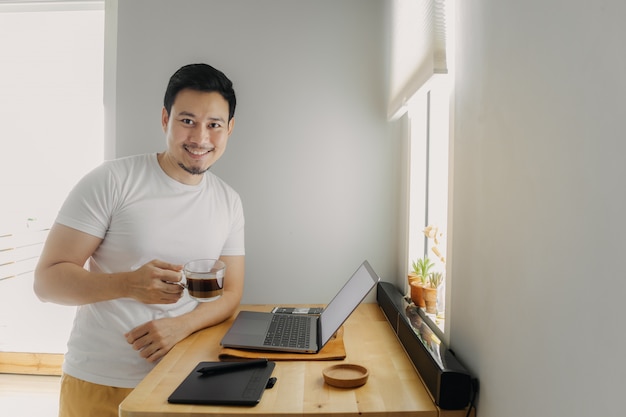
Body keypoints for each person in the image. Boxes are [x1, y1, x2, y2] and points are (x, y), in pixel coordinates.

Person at [33, 63, 245, 417]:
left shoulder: (228, 201)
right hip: (100, 381)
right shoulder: (112, 181)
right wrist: (129, 284)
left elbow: (232, 293)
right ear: (165, 119)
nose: (201, 138)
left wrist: (181, 326)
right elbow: (46, 282)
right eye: (187, 121)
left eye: (214, 125)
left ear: (230, 129)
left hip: (183, 379)